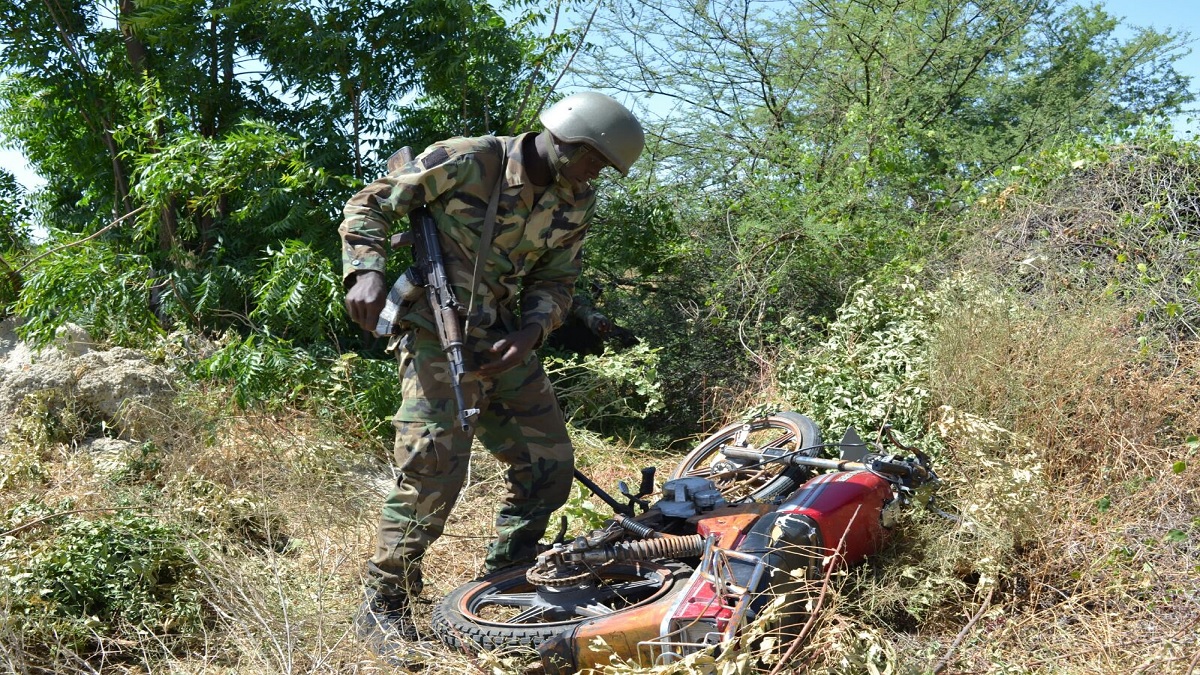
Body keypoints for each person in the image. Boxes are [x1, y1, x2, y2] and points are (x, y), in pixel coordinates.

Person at [337, 91, 644, 652]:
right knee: (434, 464)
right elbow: (371, 203)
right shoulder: (469, 158)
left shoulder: (576, 198)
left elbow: (556, 280)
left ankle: (508, 574)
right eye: (594, 159)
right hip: (432, 330)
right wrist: (366, 270)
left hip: (501, 337)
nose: (595, 173)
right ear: (567, 138)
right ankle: (385, 600)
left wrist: (531, 332)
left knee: (549, 463)